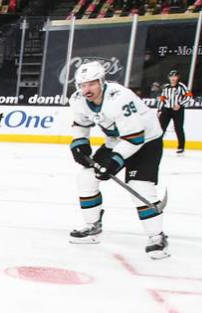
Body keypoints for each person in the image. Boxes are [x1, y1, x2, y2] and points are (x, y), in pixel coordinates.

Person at [67, 60, 168, 259]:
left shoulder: (120, 97)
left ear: (102, 82)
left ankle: (157, 237)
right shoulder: (78, 99)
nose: (87, 89)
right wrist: (79, 142)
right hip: (117, 140)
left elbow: (135, 137)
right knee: (87, 178)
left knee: (140, 186)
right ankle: (92, 226)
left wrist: (114, 162)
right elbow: (80, 123)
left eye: (92, 83)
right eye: (83, 85)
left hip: (146, 141)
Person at [157, 69, 192, 155]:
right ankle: (157, 146)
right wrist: (159, 109)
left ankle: (181, 147)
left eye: (175, 76)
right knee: (161, 129)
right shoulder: (166, 87)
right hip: (166, 109)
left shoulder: (181, 86)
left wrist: (180, 104)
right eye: (171, 76)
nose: (173, 78)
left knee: (178, 128)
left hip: (178, 110)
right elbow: (162, 98)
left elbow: (189, 96)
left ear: (178, 77)